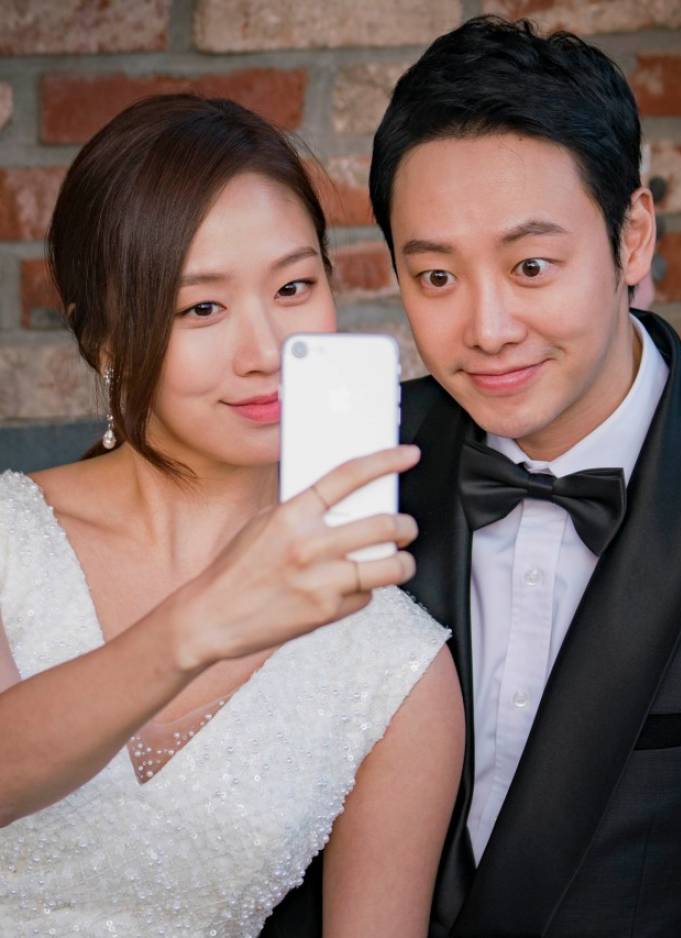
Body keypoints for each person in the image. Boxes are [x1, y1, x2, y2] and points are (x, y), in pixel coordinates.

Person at [0, 94, 464, 938]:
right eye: (201, 308)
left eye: (293, 287)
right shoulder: (9, 542)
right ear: (102, 337)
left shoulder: (394, 667)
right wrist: (200, 623)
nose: (264, 352)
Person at [366, 15, 681, 938]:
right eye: (437, 278)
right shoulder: (357, 465)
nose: (488, 329)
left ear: (632, 238)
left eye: (531, 266)